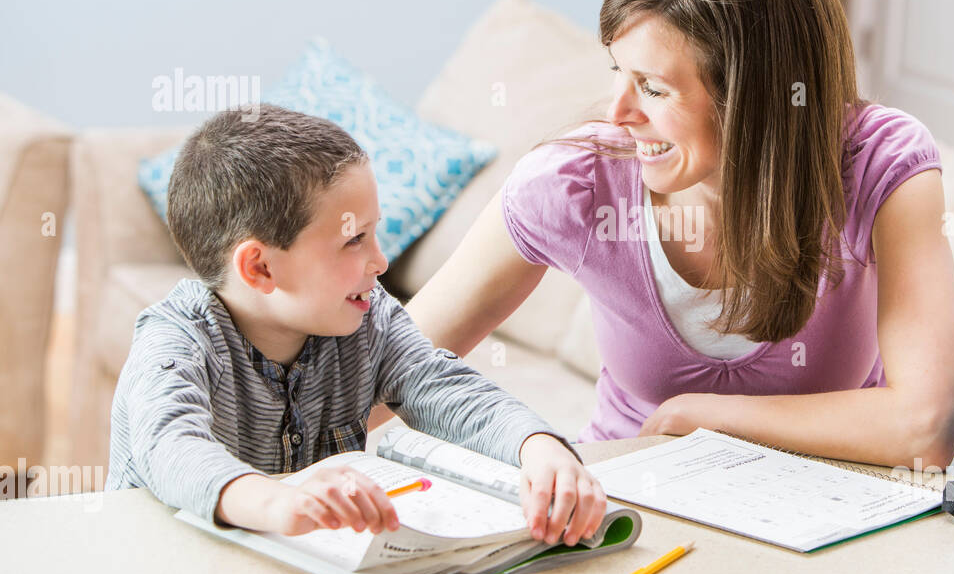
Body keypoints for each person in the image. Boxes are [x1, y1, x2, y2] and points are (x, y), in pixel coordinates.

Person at [400, 0, 954, 467]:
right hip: (631, 511)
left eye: (652, 88)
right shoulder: (574, 183)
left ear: (753, 100)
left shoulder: (878, 166)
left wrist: (714, 420)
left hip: (827, 525)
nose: (618, 112)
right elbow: (392, 370)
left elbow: (928, 428)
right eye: (618, 72)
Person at [107, 104, 605, 545]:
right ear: (259, 268)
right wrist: (280, 502)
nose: (381, 261)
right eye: (354, 240)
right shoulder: (176, 340)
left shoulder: (366, 320)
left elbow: (443, 386)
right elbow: (170, 446)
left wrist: (537, 447)